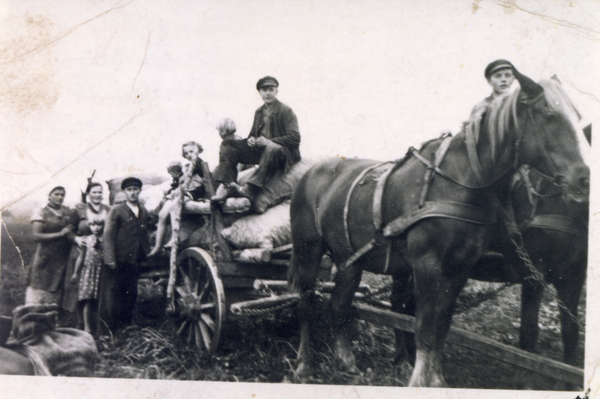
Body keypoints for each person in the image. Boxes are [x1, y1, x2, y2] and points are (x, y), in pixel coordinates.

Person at [211, 76, 301, 202]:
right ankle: (227, 185)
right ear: (260, 93)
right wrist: (251, 139)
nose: (268, 93)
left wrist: (271, 141)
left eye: (271, 89)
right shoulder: (259, 112)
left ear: (276, 91)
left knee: (271, 147)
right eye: (264, 90)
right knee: (228, 143)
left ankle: (250, 189)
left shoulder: (286, 111)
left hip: (283, 154)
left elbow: (295, 137)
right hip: (262, 152)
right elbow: (253, 134)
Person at [100, 177, 150, 332]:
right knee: (115, 293)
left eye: (135, 189)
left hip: (134, 259)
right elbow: (108, 235)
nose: (133, 193)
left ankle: (127, 325)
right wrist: (110, 259)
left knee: (131, 292)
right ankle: (111, 328)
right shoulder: (117, 210)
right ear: (124, 192)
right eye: (129, 190)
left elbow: (145, 231)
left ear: (140, 191)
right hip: (119, 259)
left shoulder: (143, 211)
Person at [63, 181, 111, 328]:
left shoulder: (108, 209)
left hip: (100, 253)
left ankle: (97, 323)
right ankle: (79, 323)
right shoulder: (80, 209)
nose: (97, 195)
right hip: (80, 252)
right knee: (79, 289)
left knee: (98, 289)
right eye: (94, 192)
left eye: (100, 192)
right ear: (88, 194)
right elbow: (68, 230)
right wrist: (76, 238)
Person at [148, 141, 207, 256]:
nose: (189, 154)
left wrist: (181, 182)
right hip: (182, 192)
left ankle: (174, 239)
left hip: (193, 193)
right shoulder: (189, 166)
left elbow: (184, 181)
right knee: (162, 214)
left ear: (198, 150)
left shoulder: (199, 163)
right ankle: (158, 246)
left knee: (173, 207)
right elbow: (180, 181)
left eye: (191, 151)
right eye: (186, 153)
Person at [26, 186, 78, 310]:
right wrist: (60, 234)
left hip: (61, 258)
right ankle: (33, 319)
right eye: (57, 194)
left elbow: (72, 230)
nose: (60, 197)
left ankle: (50, 320)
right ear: (49, 195)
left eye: (62, 195)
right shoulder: (41, 212)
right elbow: (36, 236)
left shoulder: (66, 212)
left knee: (56, 291)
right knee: (39, 290)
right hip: (45, 257)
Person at [71, 217, 105, 335]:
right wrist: (75, 272)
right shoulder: (87, 240)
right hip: (89, 272)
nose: (96, 228)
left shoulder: (106, 239)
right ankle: (87, 326)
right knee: (87, 299)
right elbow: (81, 257)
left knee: (101, 300)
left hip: (102, 272)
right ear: (89, 226)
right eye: (93, 225)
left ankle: (100, 327)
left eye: (99, 225)